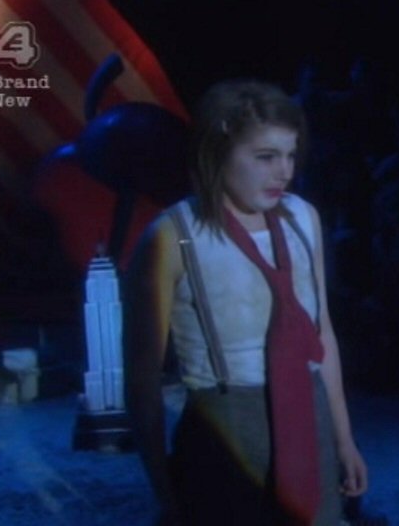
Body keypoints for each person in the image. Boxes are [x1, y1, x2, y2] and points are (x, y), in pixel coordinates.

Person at [123, 79, 367, 525]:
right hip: (227, 428)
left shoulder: (302, 218)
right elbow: (142, 380)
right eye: (265, 157)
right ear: (218, 151)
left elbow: (322, 335)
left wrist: (344, 439)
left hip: (308, 417)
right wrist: (162, 487)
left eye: (290, 155)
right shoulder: (173, 236)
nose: (284, 172)